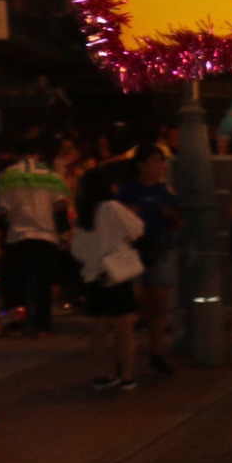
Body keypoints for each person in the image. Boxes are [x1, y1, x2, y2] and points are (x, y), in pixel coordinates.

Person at [70, 166, 142, 392]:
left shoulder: (83, 214)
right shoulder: (112, 207)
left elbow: (77, 251)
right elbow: (137, 230)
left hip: (93, 276)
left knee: (98, 327)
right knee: (123, 326)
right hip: (116, 274)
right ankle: (127, 376)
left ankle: (100, 375)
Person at [0, 137, 71, 338]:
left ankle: (15, 324)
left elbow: (4, 208)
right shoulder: (50, 175)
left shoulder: (8, 175)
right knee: (43, 284)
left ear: (16, 154)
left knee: (14, 282)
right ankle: (42, 326)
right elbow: (59, 206)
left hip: (18, 235)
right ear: (36, 154)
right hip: (46, 235)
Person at [119, 144, 182, 376]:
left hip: (159, 249)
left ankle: (157, 353)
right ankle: (126, 356)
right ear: (141, 165)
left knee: (158, 305)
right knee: (132, 305)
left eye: (161, 162)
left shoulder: (165, 192)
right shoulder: (127, 190)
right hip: (133, 251)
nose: (160, 166)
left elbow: (178, 222)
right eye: (155, 161)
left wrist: (172, 217)